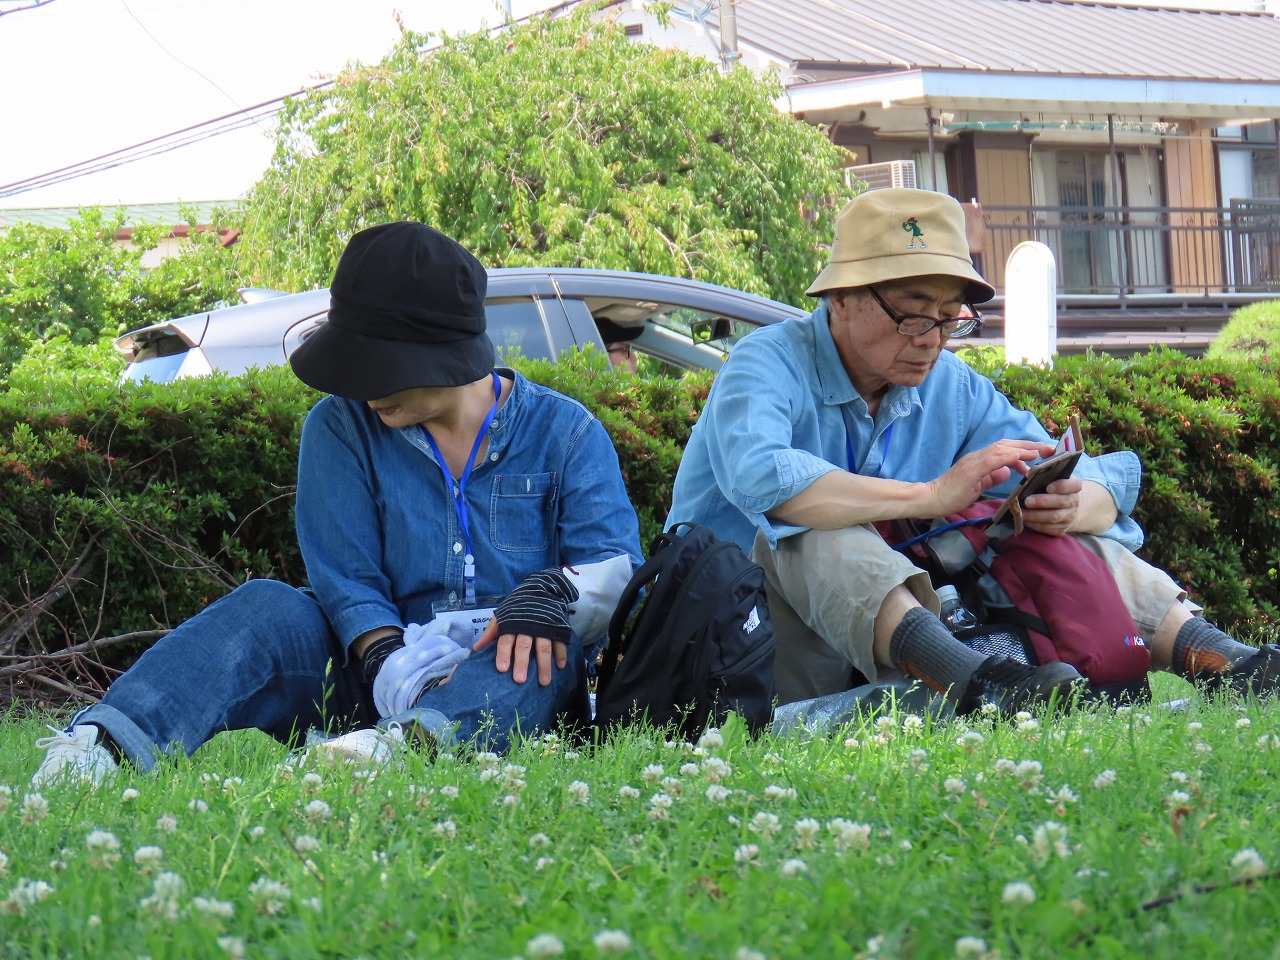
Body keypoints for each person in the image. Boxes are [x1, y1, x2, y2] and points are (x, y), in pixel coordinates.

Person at [33, 221, 641, 785]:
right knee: (266, 606)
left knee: (544, 648)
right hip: (374, 672)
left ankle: (399, 751)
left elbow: (618, 571)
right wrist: (388, 663)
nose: (359, 384)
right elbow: (348, 582)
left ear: (446, 353)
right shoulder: (338, 427)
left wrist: (553, 595)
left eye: (378, 365)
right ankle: (101, 748)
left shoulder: (567, 433)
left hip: (511, 679)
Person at [667, 188, 1278, 716]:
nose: (932, 341)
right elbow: (766, 479)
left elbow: (1093, 476)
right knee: (808, 527)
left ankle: (1225, 662)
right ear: (843, 298)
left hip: (889, 634)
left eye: (948, 318)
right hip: (743, 647)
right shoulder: (764, 362)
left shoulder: (949, 385)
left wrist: (1072, 503)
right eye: (913, 315)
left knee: (1044, 517)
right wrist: (931, 495)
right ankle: (983, 687)